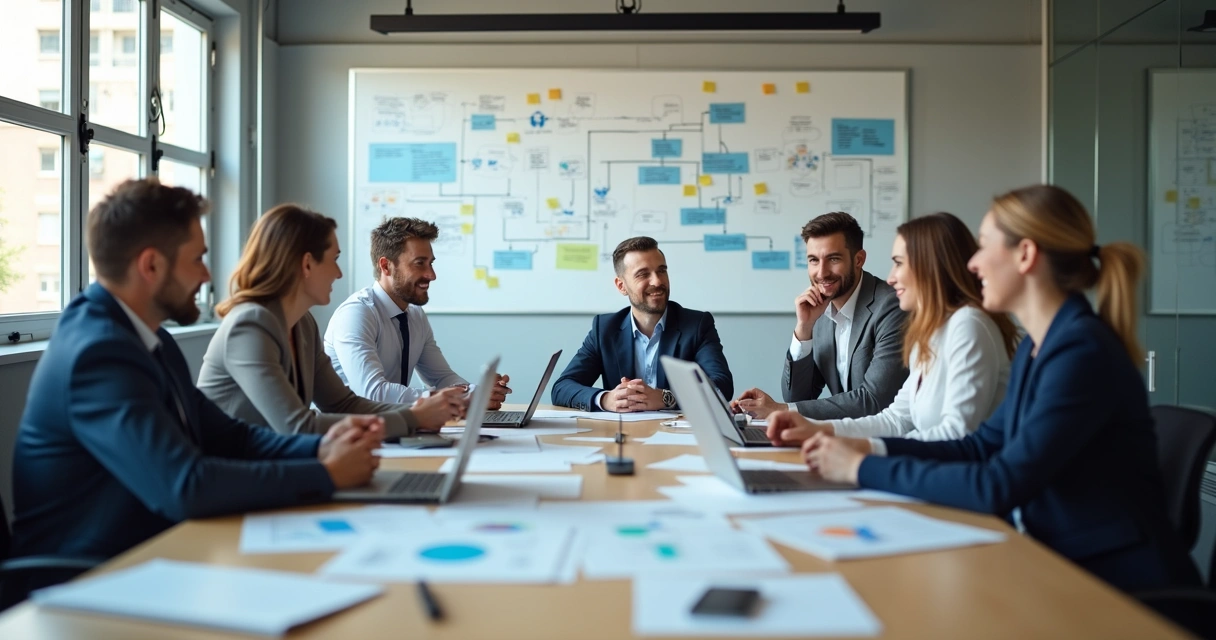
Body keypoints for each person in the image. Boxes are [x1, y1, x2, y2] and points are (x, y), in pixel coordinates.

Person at [792, 185, 1201, 593]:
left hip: (1119, 585)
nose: (972, 262)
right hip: (1060, 558)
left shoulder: (1082, 351)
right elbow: (980, 445)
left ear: (1025, 255)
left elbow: (999, 484)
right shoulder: (1041, 347)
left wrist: (860, 468)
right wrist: (864, 450)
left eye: (984, 245)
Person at [8, 179, 383, 576]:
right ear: (151, 265)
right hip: (83, 578)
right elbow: (185, 485)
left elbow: (232, 437)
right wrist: (324, 473)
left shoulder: (150, 337)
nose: (207, 274)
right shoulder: (97, 353)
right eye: (197, 258)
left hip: (150, 553)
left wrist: (320, 448)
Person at [197, 204, 464, 438]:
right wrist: (414, 418)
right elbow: (297, 426)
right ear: (307, 264)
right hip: (237, 476)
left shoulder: (303, 324)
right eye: (334, 260)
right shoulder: (250, 326)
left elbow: (344, 405)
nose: (338, 273)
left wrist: (421, 412)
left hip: (276, 461)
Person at [766, 212, 1019, 453]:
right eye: (813, 260)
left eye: (898, 264)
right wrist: (816, 430)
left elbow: (956, 435)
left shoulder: (968, 325)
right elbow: (896, 419)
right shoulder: (930, 332)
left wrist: (860, 452)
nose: (891, 278)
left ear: (930, 267)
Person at [732, 212, 907, 420]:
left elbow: (874, 400)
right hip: (843, 437)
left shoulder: (892, 307)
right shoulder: (820, 311)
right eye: (814, 260)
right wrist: (804, 329)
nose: (822, 273)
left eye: (833, 259)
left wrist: (780, 409)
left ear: (859, 259)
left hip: (888, 441)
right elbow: (797, 396)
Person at [324, 216, 511, 408]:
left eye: (430, 263)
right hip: (347, 431)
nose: (431, 275)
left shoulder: (414, 314)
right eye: (419, 263)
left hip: (392, 426)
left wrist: (479, 393)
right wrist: (463, 398)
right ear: (386, 266)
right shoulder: (356, 314)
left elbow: (441, 378)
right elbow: (374, 393)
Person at [551, 236, 733, 412]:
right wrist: (606, 399)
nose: (657, 281)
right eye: (643, 274)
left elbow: (722, 386)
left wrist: (665, 398)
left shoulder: (697, 325)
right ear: (621, 286)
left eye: (662, 270)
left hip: (677, 435)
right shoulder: (604, 329)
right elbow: (562, 388)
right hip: (625, 435)